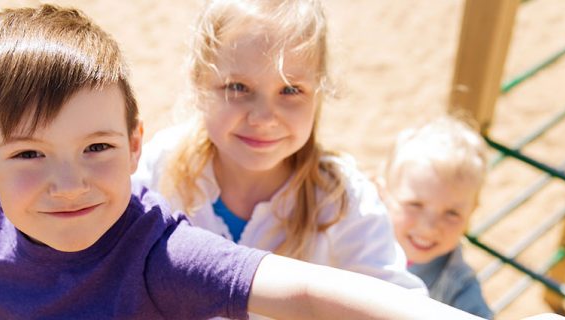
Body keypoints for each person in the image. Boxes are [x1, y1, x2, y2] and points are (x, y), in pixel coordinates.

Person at [0, 4, 477, 319]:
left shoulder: (156, 253)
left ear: (134, 146)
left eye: (98, 150)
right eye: (32, 155)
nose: (69, 182)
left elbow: (308, 289)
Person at [132, 0, 424, 294]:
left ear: (318, 92)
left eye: (290, 90)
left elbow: (399, 300)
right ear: (199, 82)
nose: (263, 118)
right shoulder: (161, 169)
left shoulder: (342, 199)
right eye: (238, 87)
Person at [376, 115, 493, 318]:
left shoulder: (459, 290)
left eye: (452, 213)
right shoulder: (356, 237)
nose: (429, 227)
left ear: (471, 212)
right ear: (383, 194)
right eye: (415, 204)